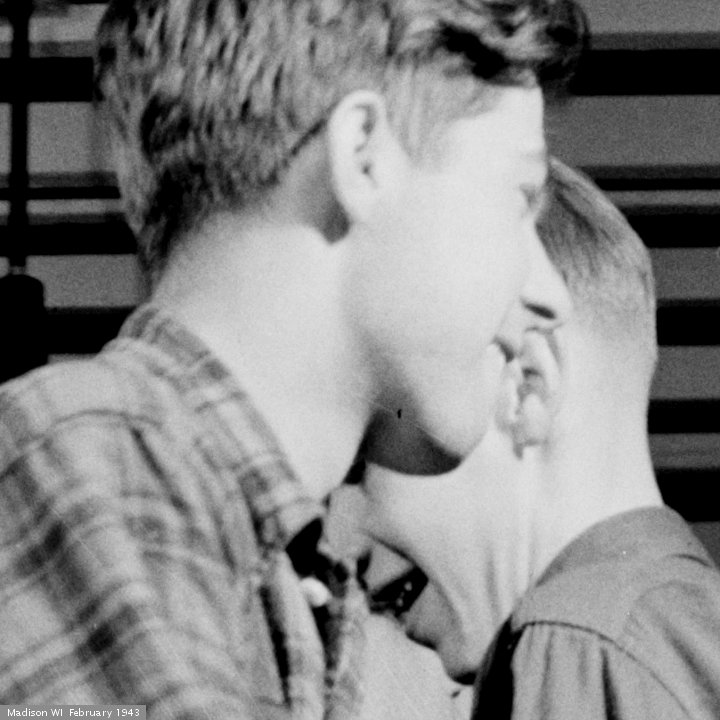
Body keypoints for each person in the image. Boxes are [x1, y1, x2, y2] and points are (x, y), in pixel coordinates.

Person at [0, 0, 585, 716]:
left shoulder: (274, 570)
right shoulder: (89, 461)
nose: (550, 293)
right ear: (364, 155)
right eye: (520, 198)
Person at [362, 158, 720, 719]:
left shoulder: (569, 642)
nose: (360, 521)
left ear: (525, 387)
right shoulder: (680, 625)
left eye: (376, 428)